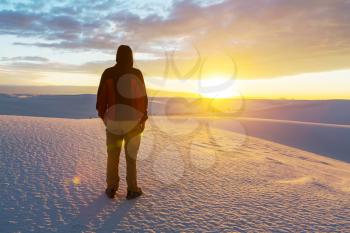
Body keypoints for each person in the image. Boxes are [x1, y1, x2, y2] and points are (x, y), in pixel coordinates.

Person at [96, 45, 148, 200]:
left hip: (113, 121)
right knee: (131, 158)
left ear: (117, 56)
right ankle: (132, 189)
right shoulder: (136, 73)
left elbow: (101, 98)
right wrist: (142, 118)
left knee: (112, 156)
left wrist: (104, 117)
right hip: (133, 122)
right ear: (131, 56)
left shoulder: (108, 73)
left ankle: (111, 187)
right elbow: (142, 99)